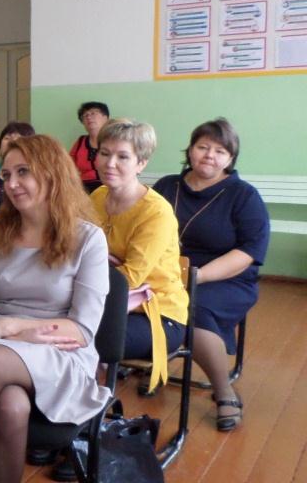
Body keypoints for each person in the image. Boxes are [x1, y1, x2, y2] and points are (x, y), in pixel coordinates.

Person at [0, 134, 109, 483]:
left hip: (60, 355)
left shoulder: (88, 239)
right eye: (6, 174)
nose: (12, 183)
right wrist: (2, 332)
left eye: (23, 171)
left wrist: (8, 327)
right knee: (11, 405)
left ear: (52, 174)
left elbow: (81, 330)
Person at [152, 118, 269, 431]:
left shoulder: (243, 195)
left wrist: (198, 276)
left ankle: (224, 391)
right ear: (190, 150)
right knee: (129, 297)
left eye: (220, 151)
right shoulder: (167, 186)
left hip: (224, 278)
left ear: (230, 159)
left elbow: (248, 252)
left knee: (193, 309)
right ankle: (154, 367)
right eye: (203, 147)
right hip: (167, 273)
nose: (209, 155)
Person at [91, 119, 187, 392]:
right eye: (104, 153)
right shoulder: (97, 196)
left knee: (78, 337)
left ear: (141, 163)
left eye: (123, 157)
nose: (110, 163)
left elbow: (129, 279)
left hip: (156, 314)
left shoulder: (155, 212)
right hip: (106, 303)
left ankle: (88, 408)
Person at [70, 102, 110, 193]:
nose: (88, 117)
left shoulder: (115, 140)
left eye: (93, 113)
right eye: (85, 115)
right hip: (82, 188)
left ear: (106, 118)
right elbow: (68, 166)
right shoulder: (80, 142)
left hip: (109, 186)